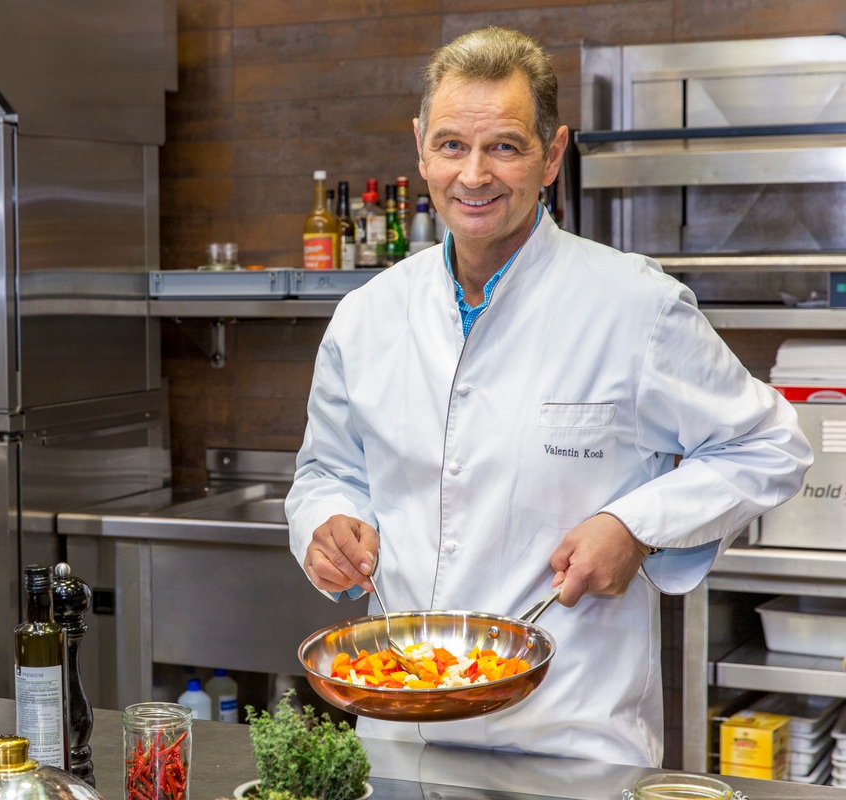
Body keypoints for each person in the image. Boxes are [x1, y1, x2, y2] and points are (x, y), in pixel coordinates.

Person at [285, 26, 812, 768]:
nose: (473, 176)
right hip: (398, 732)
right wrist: (328, 522)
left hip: (570, 737)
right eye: (451, 146)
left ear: (552, 154)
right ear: (419, 149)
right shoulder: (367, 316)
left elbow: (771, 445)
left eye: (504, 146)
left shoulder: (634, 306)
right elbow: (327, 472)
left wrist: (636, 524)